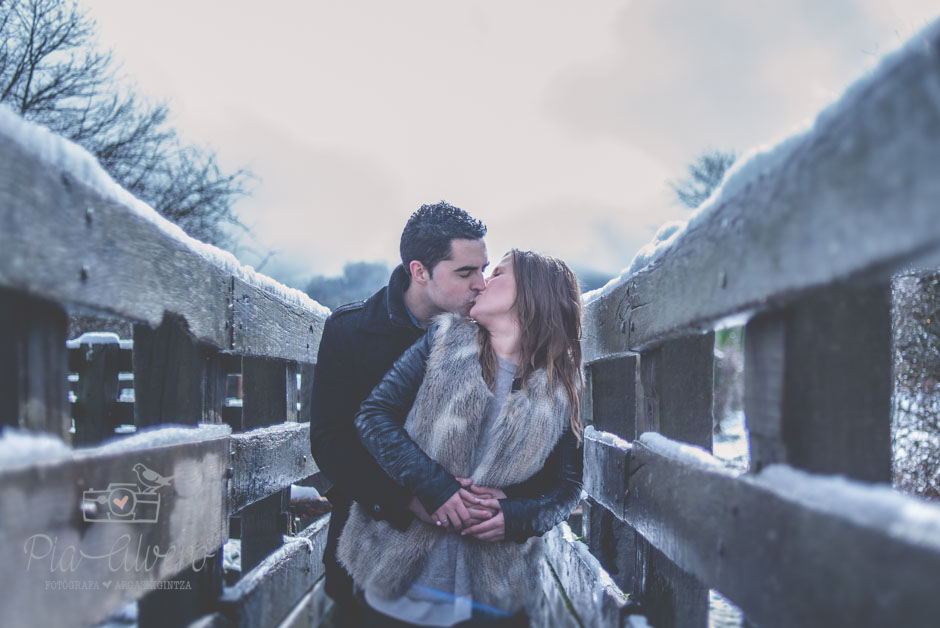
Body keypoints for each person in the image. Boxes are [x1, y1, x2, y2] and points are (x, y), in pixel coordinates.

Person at [309, 204, 581, 626]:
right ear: (420, 272)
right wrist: (415, 497)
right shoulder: (355, 332)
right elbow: (334, 440)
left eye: (486, 270)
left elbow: (562, 480)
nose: (480, 282)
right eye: (464, 273)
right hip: (385, 560)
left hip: (487, 585)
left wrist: (515, 513)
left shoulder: (542, 374)